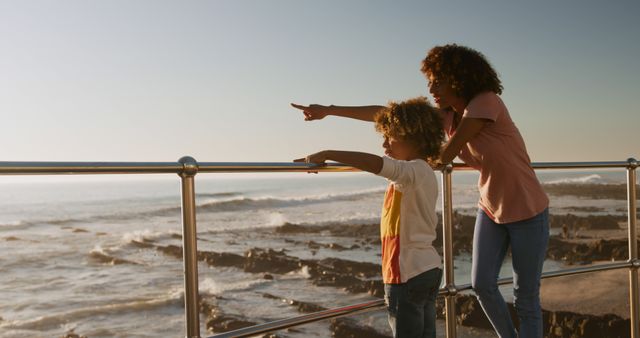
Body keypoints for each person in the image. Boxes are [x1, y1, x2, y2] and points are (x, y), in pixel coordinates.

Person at [292, 44, 550, 338]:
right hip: (491, 208)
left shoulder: (485, 102)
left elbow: (446, 154)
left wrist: (415, 157)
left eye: (437, 80)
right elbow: (390, 114)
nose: (430, 87)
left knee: (526, 298)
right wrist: (329, 111)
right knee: (481, 285)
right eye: (430, 80)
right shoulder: (448, 116)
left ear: (459, 78)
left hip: (528, 209)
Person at [294, 97, 444, 338]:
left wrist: (328, 153)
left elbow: (373, 163)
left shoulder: (411, 172)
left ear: (413, 136)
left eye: (390, 136)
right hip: (427, 268)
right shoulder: (422, 171)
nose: (384, 144)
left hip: (406, 273)